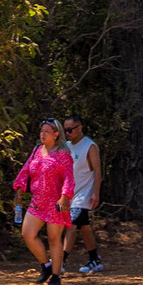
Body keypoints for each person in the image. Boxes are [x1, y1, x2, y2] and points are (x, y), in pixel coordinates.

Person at [13, 118, 74, 285]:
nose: (43, 134)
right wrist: (18, 189)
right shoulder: (37, 151)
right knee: (27, 233)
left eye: (47, 131)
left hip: (56, 202)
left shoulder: (62, 153)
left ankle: (56, 276)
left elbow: (69, 177)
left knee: (54, 239)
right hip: (37, 201)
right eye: (41, 131)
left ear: (56, 134)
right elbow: (26, 170)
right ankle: (46, 265)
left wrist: (65, 196)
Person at [62, 115, 103, 274]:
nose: (67, 133)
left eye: (70, 130)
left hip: (84, 194)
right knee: (84, 227)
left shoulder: (90, 146)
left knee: (71, 225)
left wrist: (95, 193)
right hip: (70, 194)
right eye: (65, 130)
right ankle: (94, 259)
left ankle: (60, 262)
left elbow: (97, 171)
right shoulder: (66, 146)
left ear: (79, 128)